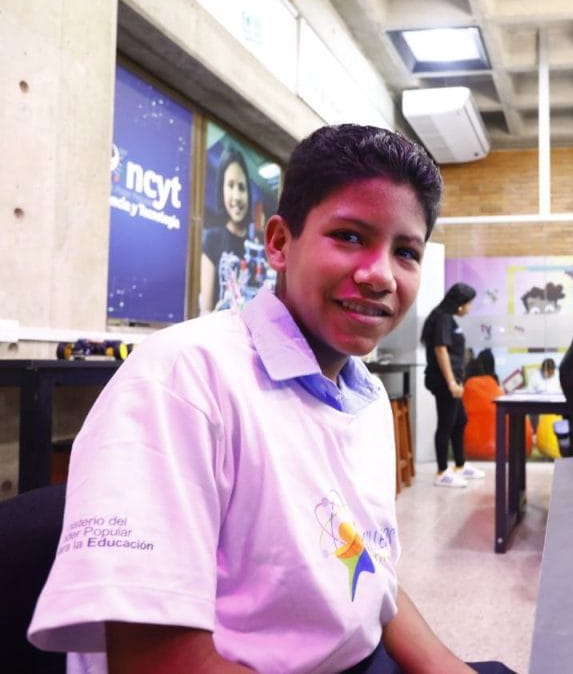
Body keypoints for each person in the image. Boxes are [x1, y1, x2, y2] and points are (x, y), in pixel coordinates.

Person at [29, 124, 511, 673]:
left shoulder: (366, 395)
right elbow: (158, 663)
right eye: (350, 236)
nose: (379, 275)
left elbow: (371, 574)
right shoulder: (183, 379)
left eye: (405, 252)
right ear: (280, 243)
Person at [421, 282, 486, 488]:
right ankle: (442, 472)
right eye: (469, 303)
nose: (470, 308)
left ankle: (460, 465)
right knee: (446, 424)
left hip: (452, 380)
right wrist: (451, 382)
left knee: (460, 421)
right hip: (444, 381)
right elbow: (440, 350)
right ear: (460, 303)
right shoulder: (442, 318)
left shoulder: (448, 319)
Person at [199, 145, 264, 314]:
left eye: (242, 187)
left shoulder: (256, 245)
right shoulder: (211, 239)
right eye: (230, 185)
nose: (236, 196)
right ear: (222, 189)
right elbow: (205, 311)